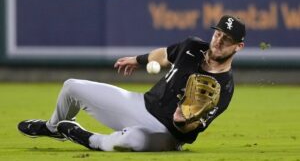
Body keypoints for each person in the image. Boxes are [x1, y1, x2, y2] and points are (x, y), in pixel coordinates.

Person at [18, 15, 246, 152]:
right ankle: (52, 128)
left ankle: (90, 139)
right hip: (141, 105)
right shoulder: (193, 46)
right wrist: (138, 60)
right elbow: (165, 55)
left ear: (238, 46)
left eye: (227, 39)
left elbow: (190, 130)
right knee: (71, 86)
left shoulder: (224, 87)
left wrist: (182, 121)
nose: (219, 41)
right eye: (218, 34)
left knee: (131, 139)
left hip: (166, 135)